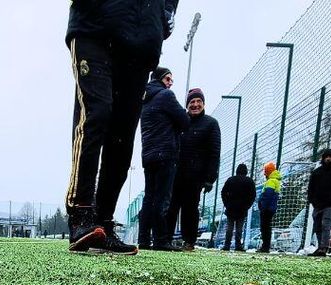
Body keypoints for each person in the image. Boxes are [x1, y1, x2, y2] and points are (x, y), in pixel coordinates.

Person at [65, 0, 180, 254]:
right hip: (95, 29)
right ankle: (81, 212)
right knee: (97, 113)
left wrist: (165, 14)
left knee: (123, 135)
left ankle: (104, 222)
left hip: (141, 42)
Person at [138, 67, 189, 251]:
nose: (170, 83)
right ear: (160, 79)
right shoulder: (166, 96)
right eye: (168, 79)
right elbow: (184, 121)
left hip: (148, 154)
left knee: (149, 197)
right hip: (166, 153)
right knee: (162, 198)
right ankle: (160, 239)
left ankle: (143, 239)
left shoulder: (144, 99)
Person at [168, 88, 221, 251]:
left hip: (195, 175)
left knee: (190, 209)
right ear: (187, 105)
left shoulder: (211, 124)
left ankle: (189, 241)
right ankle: (164, 238)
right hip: (175, 173)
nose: (195, 105)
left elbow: (214, 152)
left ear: (203, 104)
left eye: (198, 101)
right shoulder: (180, 121)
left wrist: (210, 177)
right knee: (170, 207)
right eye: (192, 102)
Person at [220, 163, 255, 252]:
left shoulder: (231, 180)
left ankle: (227, 245)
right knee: (239, 228)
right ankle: (238, 245)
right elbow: (252, 195)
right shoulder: (249, 181)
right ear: (246, 171)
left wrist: (226, 203)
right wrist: (247, 205)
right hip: (242, 208)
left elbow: (223, 192)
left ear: (237, 171)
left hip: (231, 207)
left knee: (229, 227)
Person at [257, 161, 282, 253]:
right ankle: (266, 246)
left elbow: (267, 195)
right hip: (271, 208)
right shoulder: (276, 181)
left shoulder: (271, 181)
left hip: (266, 208)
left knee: (265, 227)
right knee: (267, 227)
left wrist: (262, 206)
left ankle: (265, 246)